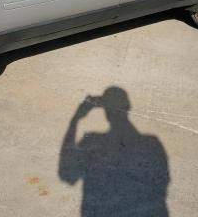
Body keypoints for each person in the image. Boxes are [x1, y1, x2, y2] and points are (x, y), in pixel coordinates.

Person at [59, 87, 170, 216]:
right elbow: (161, 184)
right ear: (128, 106)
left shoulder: (92, 142)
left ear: (105, 110)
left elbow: (67, 175)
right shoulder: (152, 144)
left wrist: (75, 119)